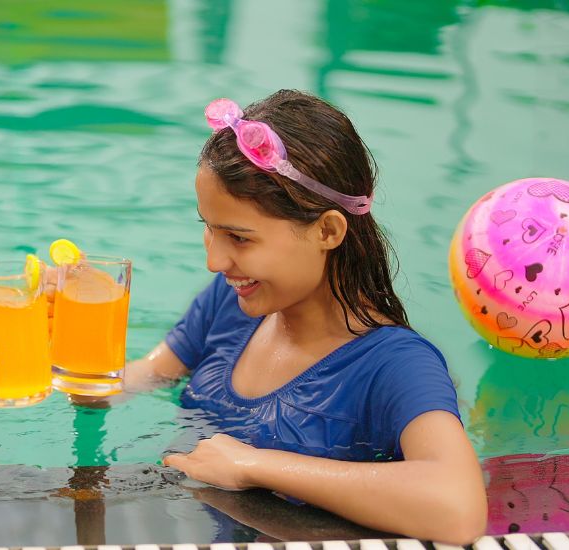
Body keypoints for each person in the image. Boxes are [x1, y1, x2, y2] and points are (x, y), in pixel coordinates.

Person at [128, 90, 487, 543]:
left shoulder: (393, 365)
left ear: (327, 231)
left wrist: (255, 465)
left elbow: (458, 508)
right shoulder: (233, 303)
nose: (214, 261)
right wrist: (57, 356)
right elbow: (144, 377)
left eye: (239, 238)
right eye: (209, 229)